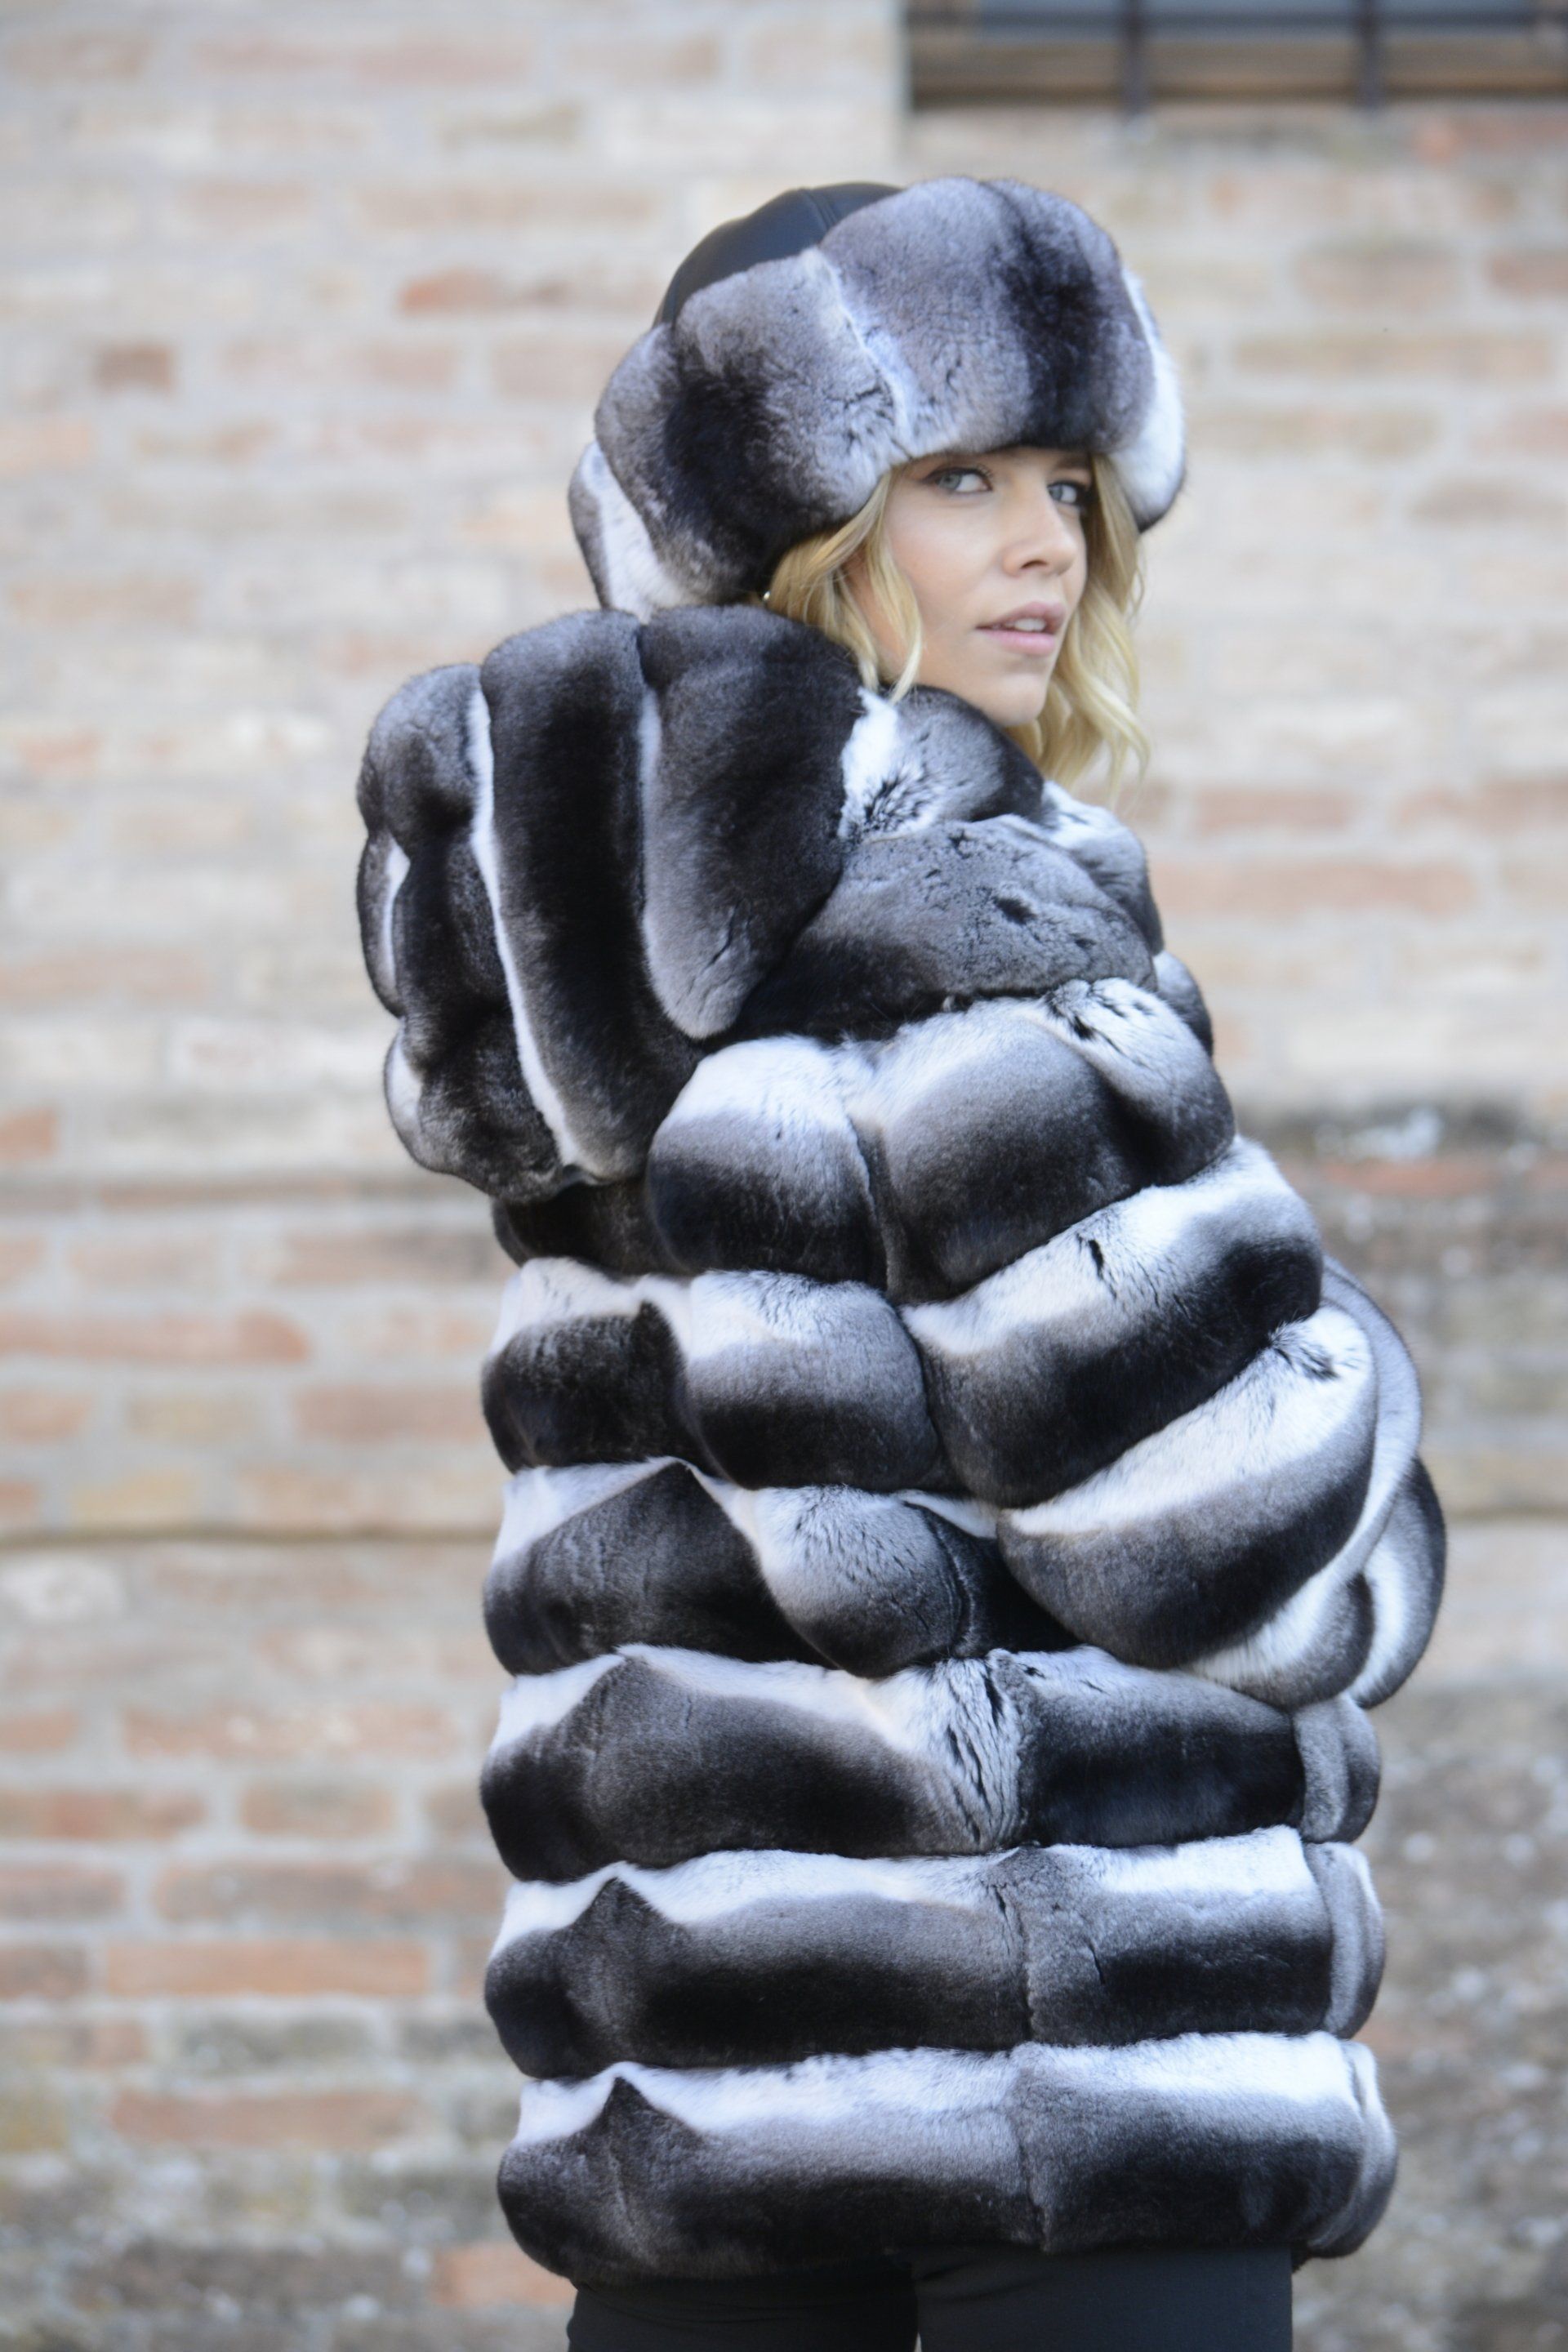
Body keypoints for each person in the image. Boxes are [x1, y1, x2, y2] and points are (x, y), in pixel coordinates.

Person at [354, 178, 1446, 2352]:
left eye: (1068, 482)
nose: (1047, 543)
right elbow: (1217, 1534)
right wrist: (1378, 1438)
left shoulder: (588, 952)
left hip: (707, 2081)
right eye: (955, 478)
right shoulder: (969, 921)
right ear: (791, 521)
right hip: (1074, 2064)